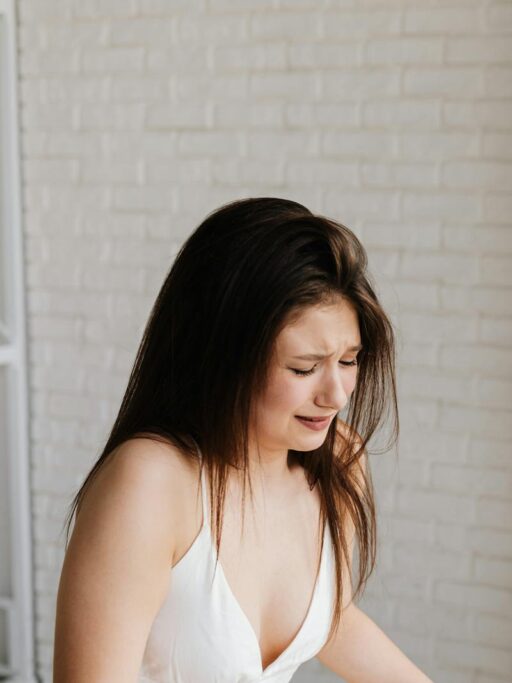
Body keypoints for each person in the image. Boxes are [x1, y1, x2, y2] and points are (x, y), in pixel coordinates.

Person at [52, 197, 432, 682]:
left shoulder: (339, 462)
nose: (335, 394)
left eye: (349, 360)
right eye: (304, 367)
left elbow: (331, 621)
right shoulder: (151, 484)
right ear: (224, 357)